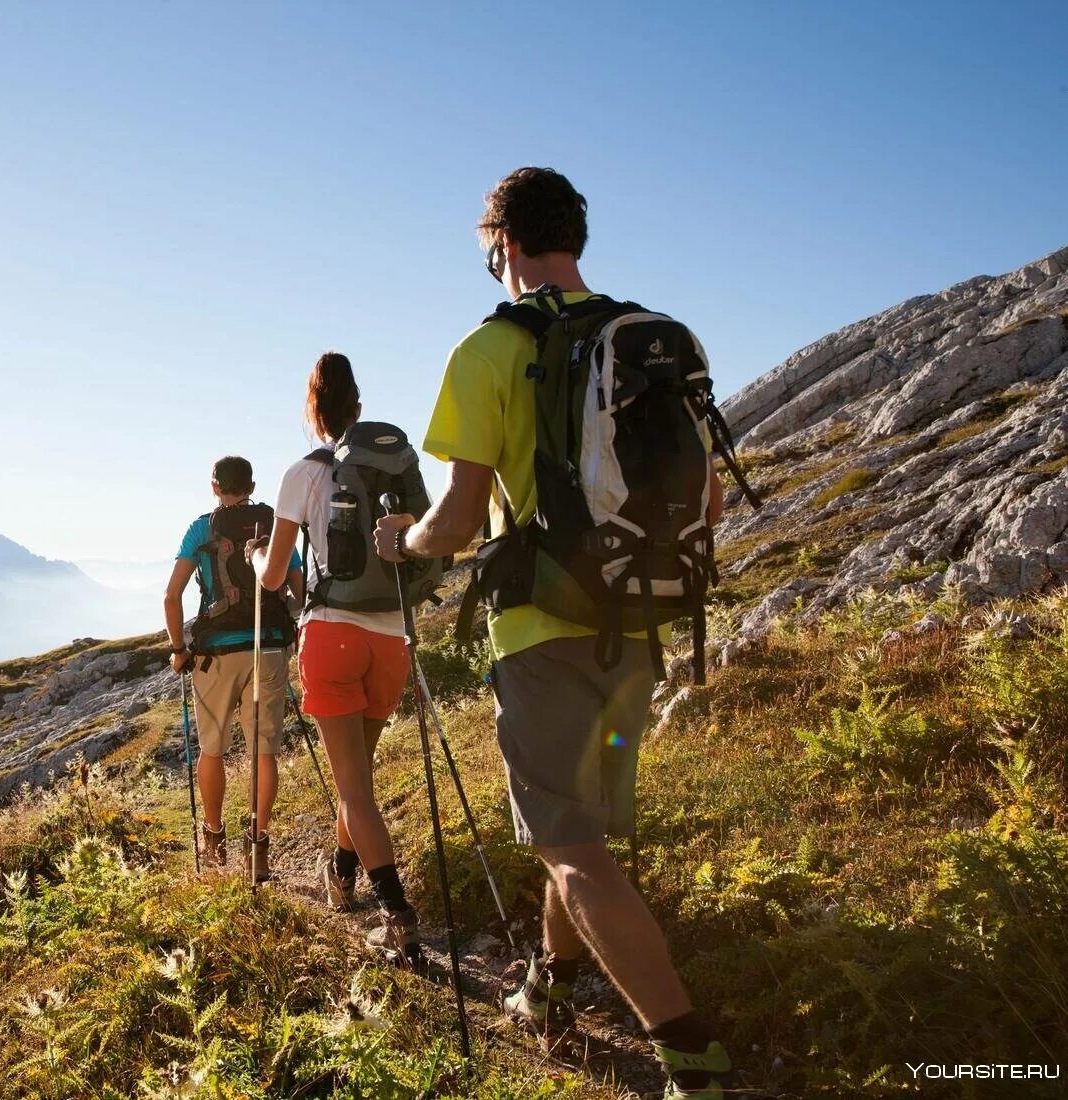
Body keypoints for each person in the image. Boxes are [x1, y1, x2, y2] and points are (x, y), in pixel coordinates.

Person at [373, 167, 734, 1098]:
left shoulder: (490, 348)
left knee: (571, 850)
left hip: (541, 629)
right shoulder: (653, 335)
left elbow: (453, 526)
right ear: (574, 238)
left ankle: (690, 1059)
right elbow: (711, 493)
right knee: (579, 831)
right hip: (640, 618)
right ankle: (550, 985)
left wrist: (399, 543)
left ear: (502, 248)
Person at [248, 353, 423, 966]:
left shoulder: (303, 473)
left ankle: (398, 917)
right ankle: (343, 875)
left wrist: (253, 561)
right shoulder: (389, 467)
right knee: (361, 781)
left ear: (315, 411)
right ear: (358, 405)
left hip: (332, 635)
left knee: (354, 786)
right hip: (391, 639)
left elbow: (273, 578)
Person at [163, 455, 303, 883]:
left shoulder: (200, 528)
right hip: (269, 648)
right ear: (253, 485)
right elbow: (297, 591)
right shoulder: (273, 527)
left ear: (214, 486)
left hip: (216, 655)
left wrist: (178, 649)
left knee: (212, 749)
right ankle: (258, 848)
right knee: (264, 751)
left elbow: (172, 597)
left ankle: (214, 839)